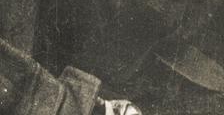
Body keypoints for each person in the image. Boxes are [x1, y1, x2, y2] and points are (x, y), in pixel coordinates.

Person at [0, 36, 141, 115]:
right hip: (45, 85)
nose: (117, 107)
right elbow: (71, 75)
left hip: (31, 110)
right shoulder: (96, 99)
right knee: (9, 57)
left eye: (118, 112)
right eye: (120, 108)